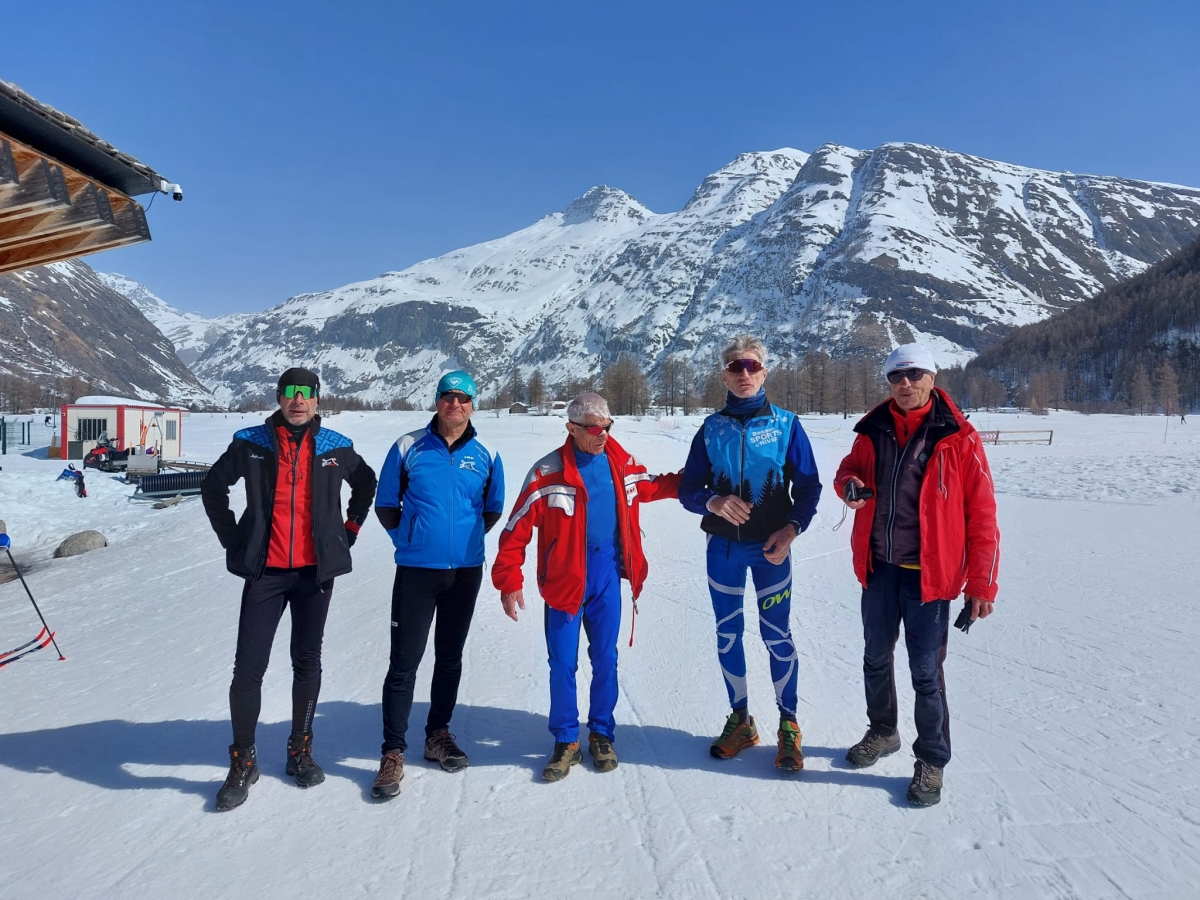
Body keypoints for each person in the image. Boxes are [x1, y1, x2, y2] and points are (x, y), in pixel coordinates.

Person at [202, 367, 377, 811]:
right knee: (248, 668)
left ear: (317, 399)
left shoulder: (335, 445)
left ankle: (300, 750)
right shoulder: (252, 442)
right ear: (279, 397)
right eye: (290, 392)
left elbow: (366, 483)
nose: (298, 400)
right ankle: (243, 761)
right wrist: (235, 539)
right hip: (266, 573)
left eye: (306, 393)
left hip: (314, 575)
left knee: (307, 660)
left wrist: (349, 531)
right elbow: (213, 487)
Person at [834, 343, 1000, 807]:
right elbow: (848, 469)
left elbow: (983, 514)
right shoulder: (874, 429)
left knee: (925, 672)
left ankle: (931, 758)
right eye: (896, 376)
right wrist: (849, 485)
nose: (905, 384)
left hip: (930, 576)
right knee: (874, 657)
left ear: (932, 377)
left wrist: (981, 583)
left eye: (914, 374)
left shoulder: (959, 437)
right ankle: (883, 730)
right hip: (879, 567)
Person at [492, 392, 680, 781]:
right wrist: (509, 580)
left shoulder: (620, 462)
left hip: (606, 572)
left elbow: (651, 486)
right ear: (572, 429)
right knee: (562, 662)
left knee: (605, 658)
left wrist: (695, 482)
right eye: (594, 429)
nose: (603, 435)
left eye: (607, 426)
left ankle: (601, 733)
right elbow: (516, 528)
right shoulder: (547, 472)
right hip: (565, 580)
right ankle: (566, 740)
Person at [679, 335, 822, 772]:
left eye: (752, 366)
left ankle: (788, 723)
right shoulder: (711, 428)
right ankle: (740, 720)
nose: (744, 373)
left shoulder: (786, 425)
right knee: (727, 634)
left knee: (777, 635)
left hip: (770, 549)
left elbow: (810, 487)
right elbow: (688, 488)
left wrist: (792, 529)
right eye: (735, 367)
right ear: (724, 376)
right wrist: (712, 501)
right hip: (723, 549)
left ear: (764, 373)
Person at [370, 371, 504, 800]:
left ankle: (437, 735)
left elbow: (492, 509)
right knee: (404, 662)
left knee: (449, 658)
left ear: (473, 404)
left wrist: (464, 542)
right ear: (437, 401)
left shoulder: (487, 454)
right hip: (417, 571)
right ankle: (393, 750)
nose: (455, 404)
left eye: (463, 398)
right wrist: (411, 540)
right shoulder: (408, 447)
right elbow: (386, 504)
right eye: (448, 396)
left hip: (465, 572)